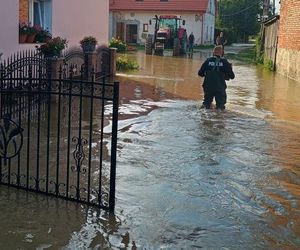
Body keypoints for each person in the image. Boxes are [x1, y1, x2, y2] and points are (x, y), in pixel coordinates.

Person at [198, 45, 235, 110]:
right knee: (220, 107)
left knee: (206, 104)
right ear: (222, 53)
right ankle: (218, 117)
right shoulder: (225, 62)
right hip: (219, 87)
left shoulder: (208, 61)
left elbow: (200, 73)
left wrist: (207, 74)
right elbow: (232, 76)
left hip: (208, 87)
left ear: (213, 52)